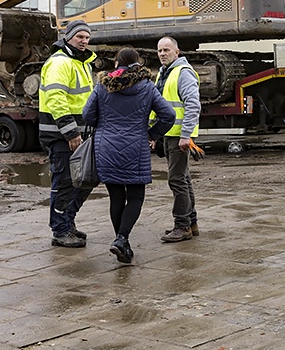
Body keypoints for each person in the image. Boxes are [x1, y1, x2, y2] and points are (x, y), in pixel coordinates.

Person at [83, 47, 175, 263]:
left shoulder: (102, 86)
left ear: (116, 64)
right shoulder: (147, 87)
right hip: (136, 146)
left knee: (116, 197)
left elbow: (87, 115)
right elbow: (168, 115)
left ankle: (120, 241)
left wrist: (105, 128)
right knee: (135, 197)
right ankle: (122, 239)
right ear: (138, 63)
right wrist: (152, 134)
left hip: (106, 147)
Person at [39, 19, 96, 248]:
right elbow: (56, 99)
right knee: (64, 183)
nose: (84, 41)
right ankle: (60, 230)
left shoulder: (82, 63)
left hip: (79, 136)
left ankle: (67, 221)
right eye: (80, 37)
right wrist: (70, 132)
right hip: (62, 136)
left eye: (87, 37)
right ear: (68, 37)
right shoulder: (60, 63)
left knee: (83, 181)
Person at [153, 36, 202, 243]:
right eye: (160, 51)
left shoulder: (182, 73)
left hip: (178, 137)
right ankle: (190, 223)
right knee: (183, 179)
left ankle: (182, 226)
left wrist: (186, 135)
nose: (163, 54)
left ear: (177, 52)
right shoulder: (165, 74)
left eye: (166, 50)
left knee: (177, 180)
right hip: (168, 134)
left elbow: (193, 104)